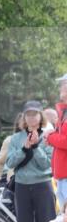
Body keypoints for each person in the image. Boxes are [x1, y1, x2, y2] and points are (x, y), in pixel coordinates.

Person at [5, 101, 55, 222]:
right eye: (28, 114)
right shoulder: (16, 138)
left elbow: (46, 164)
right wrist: (25, 148)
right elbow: (10, 162)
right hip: (22, 186)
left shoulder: (48, 136)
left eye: (35, 114)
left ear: (41, 116)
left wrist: (35, 147)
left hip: (42, 184)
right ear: (24, 118)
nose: (32, 117)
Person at [48, 73, 67, 209]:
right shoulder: (64, 112)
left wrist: (50, 137)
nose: (60, 87)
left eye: (63, 84)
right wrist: (51, 137)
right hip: (62, 175)